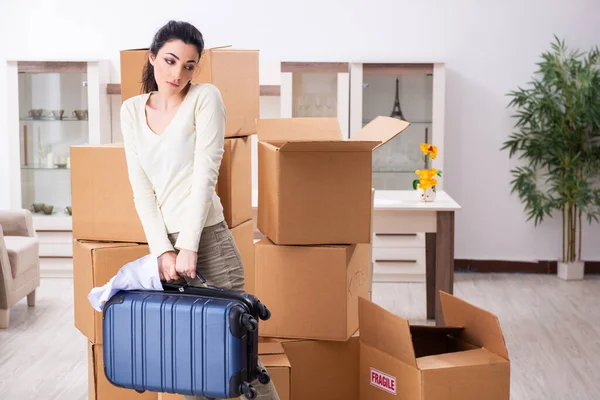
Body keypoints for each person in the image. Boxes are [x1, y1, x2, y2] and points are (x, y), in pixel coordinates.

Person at [120, 20, 279, 400]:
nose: (178, 73)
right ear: (152, 57)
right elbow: (141, 188)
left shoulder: (205, 98)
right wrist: (163, 249)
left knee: (235, 361)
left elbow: (205, 176)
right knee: (188, 365)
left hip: (208, 242)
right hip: (167, 252)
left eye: (189, 66)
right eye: (171, 61)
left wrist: (188, 245)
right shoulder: (130, 110)